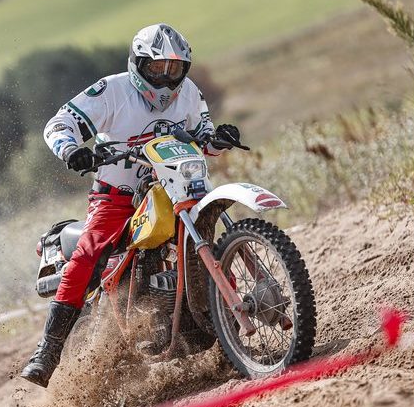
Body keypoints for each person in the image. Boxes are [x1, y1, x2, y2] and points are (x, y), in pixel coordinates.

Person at [19, 23, 245, 388]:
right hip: (117, 195)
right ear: (138, 64)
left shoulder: (189, 92)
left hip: (175, 186)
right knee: (89, 253)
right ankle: (48, 351)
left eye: (174, 68)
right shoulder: (112, 91)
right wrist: (72, 149)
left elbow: (202, 136)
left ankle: (225, 324)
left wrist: (218, 139)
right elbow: (59, 124)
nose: (166, 77)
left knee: (206, 234)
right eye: (157, 67)